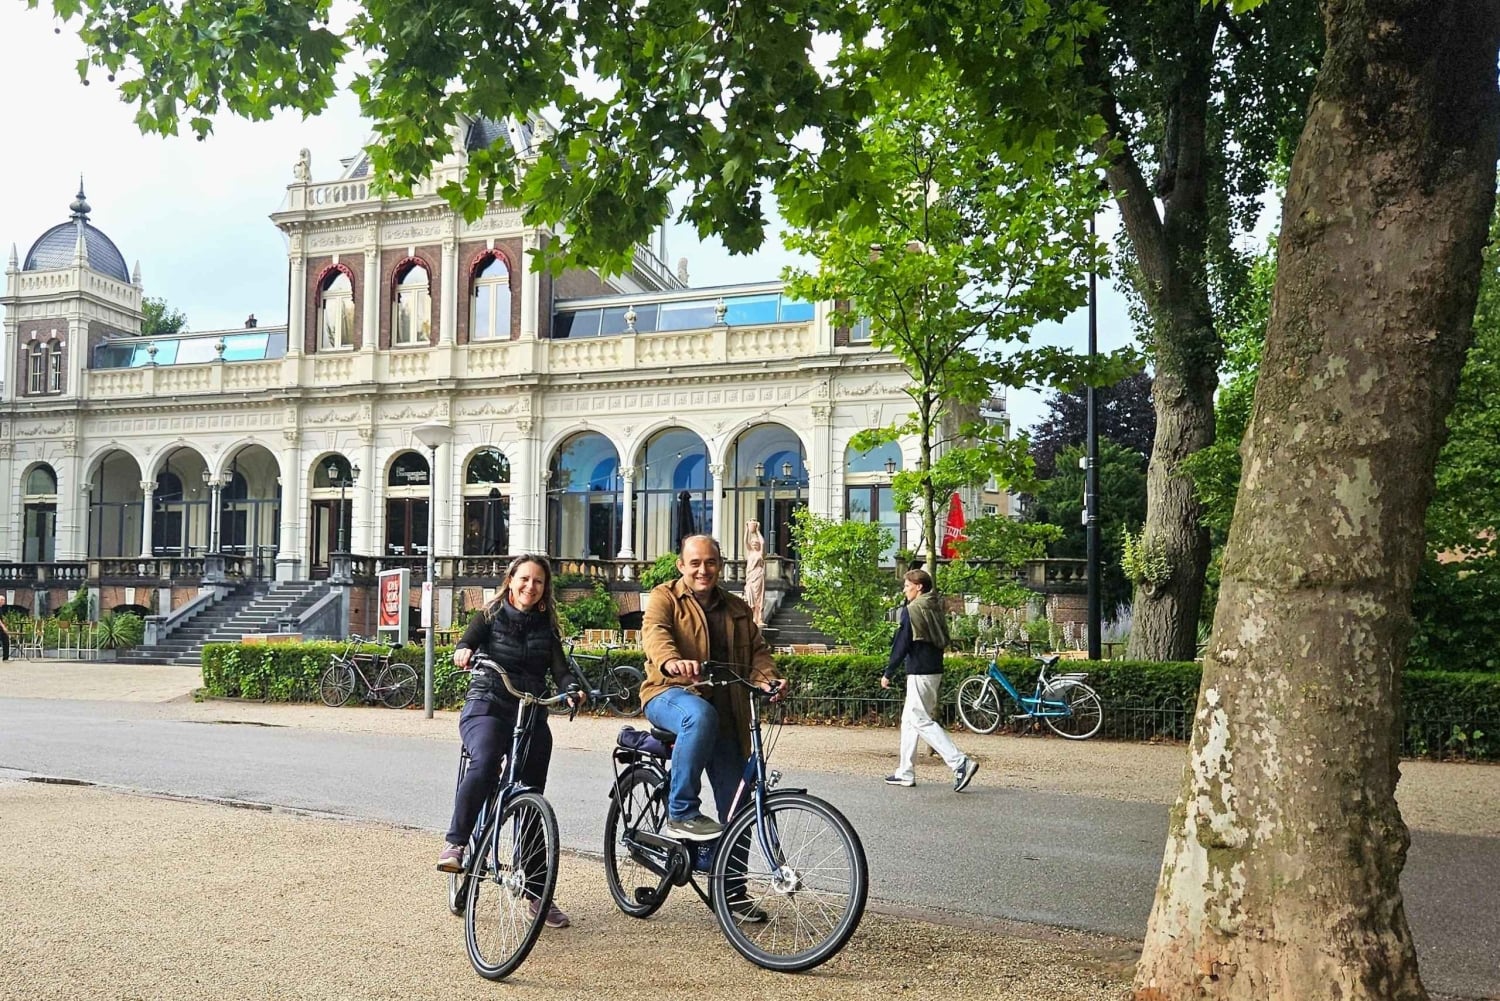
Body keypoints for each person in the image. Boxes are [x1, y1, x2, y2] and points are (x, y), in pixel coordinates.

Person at [437, 554, 585, 929]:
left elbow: (560, 669)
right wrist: (464, 651)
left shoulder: (546, 628)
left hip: (531, 709)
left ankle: (536, 891)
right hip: (488, 702)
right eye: (524, 579)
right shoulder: (488, 616)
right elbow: (469, 641)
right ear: (511, 580)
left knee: (532, 799)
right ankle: (457, 843)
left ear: (544, 589)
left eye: (538, 582)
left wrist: (571, 690)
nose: (530, 587)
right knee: (485, 761)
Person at [640, 534, 781, 852]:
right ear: (681, 566)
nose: (703, 569)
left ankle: (731, 892)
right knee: (699, 715)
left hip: (727, 712)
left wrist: (768, 679)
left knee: (739, 803)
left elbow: (759, 653)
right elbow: (655, 634)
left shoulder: (738, 609)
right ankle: (682, 812)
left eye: (710, 562)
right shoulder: (665, 598)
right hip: (668, 693)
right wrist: (672, 662)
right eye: (695, 563)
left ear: (720, 566)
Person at [881, 569, 978, 792]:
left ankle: (959, 762)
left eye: (907, 586)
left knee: (920, 720)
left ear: (919, 587)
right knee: (909, 720)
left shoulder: (912, 609)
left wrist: (888, 672)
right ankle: (905, 772)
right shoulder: (934, 605)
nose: (904, 590)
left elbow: (901, 644)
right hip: (934, 669)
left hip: (919, 671)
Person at [742, 520, 766, 626]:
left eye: (756, 543)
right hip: (750, 577)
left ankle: (759, 618)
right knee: (750, 596)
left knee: (758, 598)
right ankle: (752, 617)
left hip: (758, 576)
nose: (755, 545)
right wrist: (747, 529)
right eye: (753, 543)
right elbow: (745, 541)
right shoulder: (750, 552)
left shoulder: (760, 554)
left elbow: (763, 542)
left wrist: (757, 531)